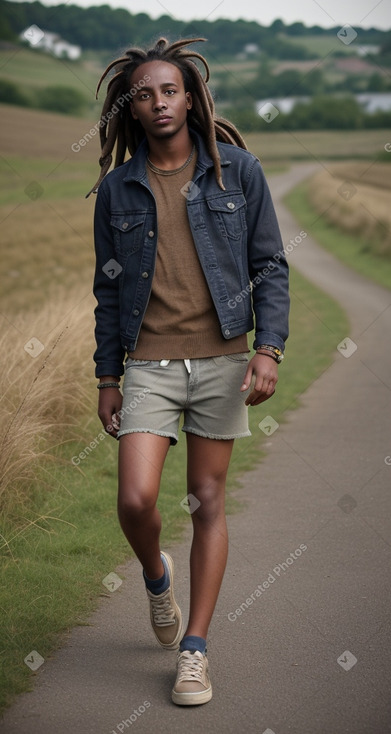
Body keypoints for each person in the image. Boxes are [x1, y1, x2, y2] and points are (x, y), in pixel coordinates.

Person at [89, 37, 289, 706]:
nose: (158, 102)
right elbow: (109, 289)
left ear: (190, 97)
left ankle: (195, 650)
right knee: (136, 500)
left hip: (222, 360)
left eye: (168, 90)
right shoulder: (117, 188)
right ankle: (154, 575)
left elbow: (269, 267)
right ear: (132, 109)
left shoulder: (237, 171)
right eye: (144, 94)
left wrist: (268, 349)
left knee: (206, 500)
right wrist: (107, 378)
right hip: (146, 362)